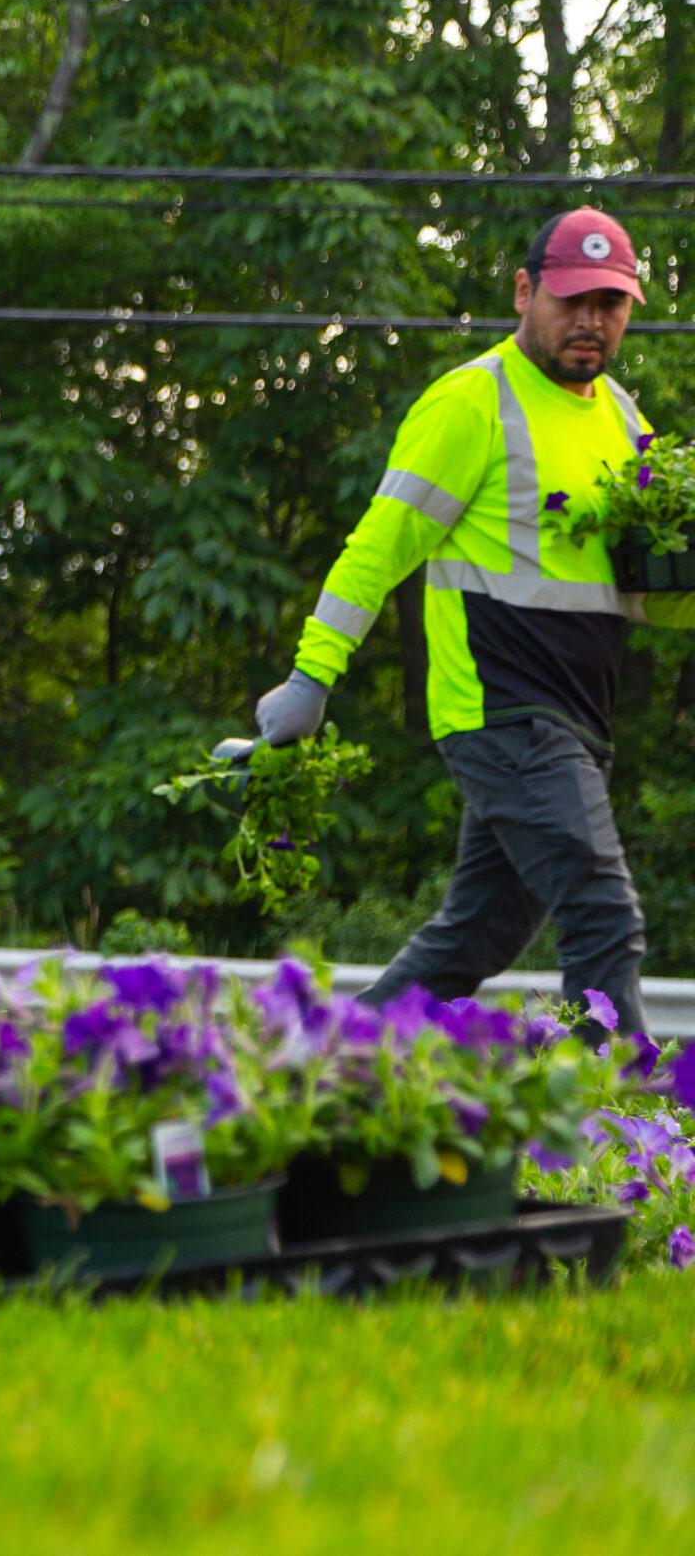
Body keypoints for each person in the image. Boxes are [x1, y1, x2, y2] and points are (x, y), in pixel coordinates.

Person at [252, 209, 694, 1037]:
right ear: (525, 291)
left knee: (475, 937)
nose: (591, 322)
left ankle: (313, 1068)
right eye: (571, 300)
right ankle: (611, 1136)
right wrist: (311, 676)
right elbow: (377, 548)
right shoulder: (470, 402)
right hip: (502, 715)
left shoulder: (626, 421)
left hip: (578, 722)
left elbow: (640, 594)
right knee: (603, 913)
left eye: (611, 303)